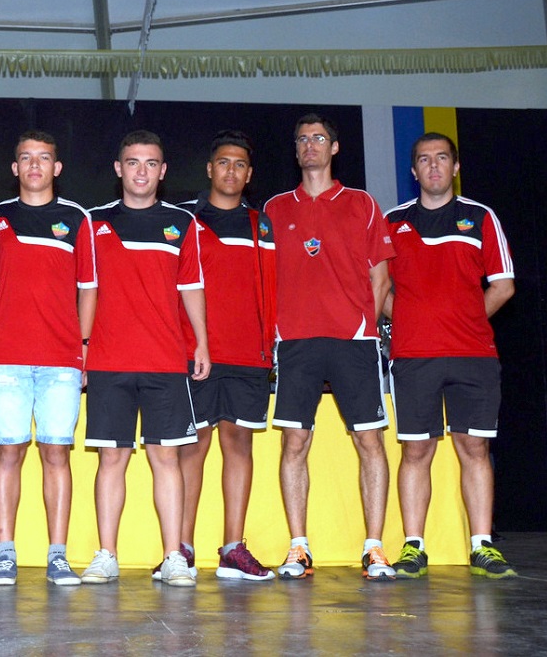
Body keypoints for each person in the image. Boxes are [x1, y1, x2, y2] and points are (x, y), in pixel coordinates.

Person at [263, 113, 396, 580]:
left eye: (319, 138)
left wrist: (362, 324)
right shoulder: (275, 208)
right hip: (296, 341)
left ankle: (374, 547)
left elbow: (381, 278)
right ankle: (298, 548)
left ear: (334, 148)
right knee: (295, 441)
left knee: (369, 440)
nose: (310, 145)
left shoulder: (362, 203)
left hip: (353, 341)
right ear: (296, 149)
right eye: (302, 139)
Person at [80, 130, 210, 587]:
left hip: (165, 361)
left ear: (163, 171)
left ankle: (174, 556)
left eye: (151, 163)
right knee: (111, 460)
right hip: (108, 361)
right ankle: (106, 555)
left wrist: (202, 343)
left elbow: (191, 287)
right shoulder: (94, 222)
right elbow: (86, 290)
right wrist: (82, 346)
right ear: (119, 169)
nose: (141, 171)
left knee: (166, 459)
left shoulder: (182, 223)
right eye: (133, 162)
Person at [384, 132, 516, 579]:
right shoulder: (393, 221)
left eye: (442, 158)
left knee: (474, 447)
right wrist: (408, 320)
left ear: (455, 167)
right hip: (414, 356)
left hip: (472, 355)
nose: (434, 166)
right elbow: (376, 287)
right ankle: (413, 547)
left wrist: (464, 322)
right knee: (416, 449)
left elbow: (504, 286)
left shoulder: (480, 216)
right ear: (414, 171)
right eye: (424, 160)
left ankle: (482, 546)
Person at [158, 130, 276, 582]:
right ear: (209, 169)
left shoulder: (262, 225)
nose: (231, 171)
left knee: (239, 443)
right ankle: (182, 550)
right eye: (223, 162)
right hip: (197, 353)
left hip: (249, 353)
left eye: (240, 165)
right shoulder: (184, 220)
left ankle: (232, 549)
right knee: (194, 445)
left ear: (249, 174)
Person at [0, 131, 96, 586]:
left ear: (57, 167)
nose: (35, 165)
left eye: (44, 158)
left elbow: (88, 288)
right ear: (15, 168)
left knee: (56, 453)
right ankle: (5, 556)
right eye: (26, 158)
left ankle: (58, 556)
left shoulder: (77, 219)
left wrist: (82, 347)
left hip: (61, 360)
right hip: (7, 357)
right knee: (7, 453)